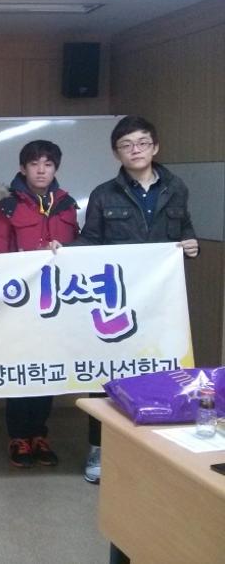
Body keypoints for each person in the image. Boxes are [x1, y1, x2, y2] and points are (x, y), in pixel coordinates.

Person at [69, 115, 198, 484]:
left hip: (161, 301)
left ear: (155, 147)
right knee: (107, 373)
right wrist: (64, 251)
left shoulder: (176, 187)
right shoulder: (103, 193)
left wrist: (192, 245)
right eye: (126, 145)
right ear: (116, 153)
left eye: (142, 143)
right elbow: (91, 240)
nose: (135, 150)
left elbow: (184, 231)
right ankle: (99, 447)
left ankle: (154, 450)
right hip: (117, 301)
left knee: (160, 371)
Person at [0, 139, 79, 469]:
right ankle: (18, 436)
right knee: (21, 368)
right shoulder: (6, 204)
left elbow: (79, 250)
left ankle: (39, 434)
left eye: (48, 164)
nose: (41, 170)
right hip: (19, 303)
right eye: (34, 164)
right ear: (23, 168)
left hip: (56, 301)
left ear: (55, 168)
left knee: (47, 369)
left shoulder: (66, 204)